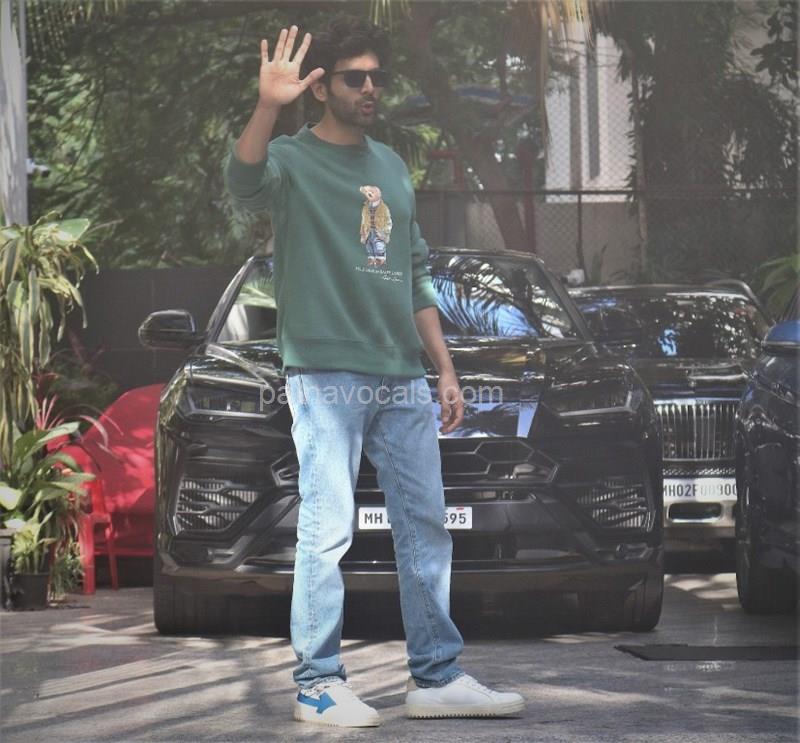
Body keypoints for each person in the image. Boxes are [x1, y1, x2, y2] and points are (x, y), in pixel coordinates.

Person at [223, 15, 524, 728]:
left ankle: (436, 676)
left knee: (425, 524)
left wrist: (444, 368)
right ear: (321, 87)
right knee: (327, 528)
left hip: (400, 374)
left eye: (377, 78)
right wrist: (266, 104)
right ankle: (317, 682)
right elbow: (242, 183)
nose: (370, 89)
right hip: (324, 373)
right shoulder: (291, 159)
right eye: (354, 77)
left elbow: (415, 274)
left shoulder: (389, 166)